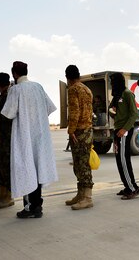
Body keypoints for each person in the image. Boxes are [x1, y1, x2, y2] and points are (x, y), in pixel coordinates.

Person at [2, 61, 58, 219]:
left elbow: (8, 113)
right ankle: (37, 205)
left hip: (24, 135)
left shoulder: (16, 89)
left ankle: (31, 207)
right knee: (38, 168)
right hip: (39, 135)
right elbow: (49, 108)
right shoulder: (38, 87)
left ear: (14, 73)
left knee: (27, 169)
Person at [64, 65, 94, 210]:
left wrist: (71, 131)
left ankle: (87, 197)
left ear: (67, 77)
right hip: (87, 130)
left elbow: (74, 112)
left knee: (81, 165)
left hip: (79, 131)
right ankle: (81, 194)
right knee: (81, 164)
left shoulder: (73, 89)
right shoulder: (86, 89)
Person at [109, 72, 139, 200]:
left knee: (123, 160)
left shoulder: (127, 94)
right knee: (119, 160)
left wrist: (124, 129)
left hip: (124, 131)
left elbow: (134, 114)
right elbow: (112, 110)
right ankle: (127, 186)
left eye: (113, 82)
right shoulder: (117, 96)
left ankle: (133, 189)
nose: (111, 84)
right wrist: (112, 112)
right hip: (117, 130)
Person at [0, 72, 14, 209]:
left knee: (6, 167)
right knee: (0, 166)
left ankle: (8, 196)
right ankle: (2, 193)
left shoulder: (9, 97)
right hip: (1, 138)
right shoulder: (4, 96)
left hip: (7, 138)